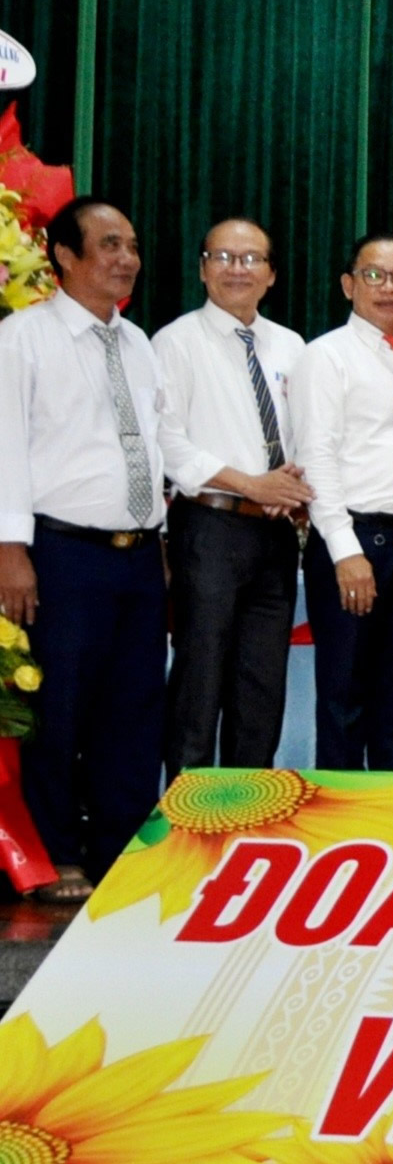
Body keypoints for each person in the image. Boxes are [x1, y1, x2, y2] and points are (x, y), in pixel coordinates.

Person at [0, 199, 168, 899]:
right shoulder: (22, 338)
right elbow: (5, 446)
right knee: (60, 709)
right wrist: (11, 549)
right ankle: (57, 853)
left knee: (132, 710)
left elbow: (155, 446)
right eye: (108, 244)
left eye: (130, 244)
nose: (126, 258)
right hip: (62, 555)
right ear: (64, 256)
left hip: (139, 555)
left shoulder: (136, 341)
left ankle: (120, 849)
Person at [153, 217, 309, 772]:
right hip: (209, 529)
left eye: (250, 260)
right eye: (222, 257)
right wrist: (251, 483)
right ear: (202, 269)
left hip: (275, 533)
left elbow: (308, 433)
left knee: (261, 686)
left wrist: (290, 482)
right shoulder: (174, 342)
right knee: (201, 678)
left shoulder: (290, 346)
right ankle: (185, 823)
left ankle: (248, 816)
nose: (236, 270)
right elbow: (167, 442)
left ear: (270, 274)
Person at [291, 232, 393, 774]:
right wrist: (343, 550)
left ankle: (391, 822)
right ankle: (338, 827)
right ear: (348, 284)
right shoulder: (325, 357)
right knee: (344, 699)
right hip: (357, 542)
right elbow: (318, 457)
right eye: (375, 275)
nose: (389, 287)